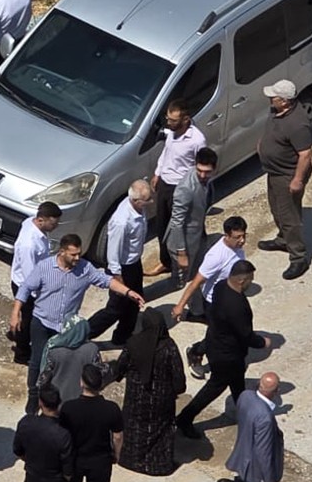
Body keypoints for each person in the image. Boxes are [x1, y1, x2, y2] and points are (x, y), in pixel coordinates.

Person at [12, 234, 146, 414]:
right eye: (73, 254)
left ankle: (55, 397)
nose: (77, 258)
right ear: (62, 252)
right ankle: (34, 396)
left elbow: (107, 281)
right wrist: (15, 313)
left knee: (62, 363)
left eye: (79, 254)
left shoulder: (85, 269)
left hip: (66, 329)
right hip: (42, 323)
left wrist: (128, 292)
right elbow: (26, 288)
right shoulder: (44, 267)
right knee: (37, 361)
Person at [176, 261, 269, 440]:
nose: (251, 282)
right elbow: (246, 335)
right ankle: (184, 418)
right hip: (227, 355)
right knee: (214, 388)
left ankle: (245, 414)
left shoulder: (220, 286)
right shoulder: (238, 306)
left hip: (215, 343)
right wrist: (262, 342)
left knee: (238, 383)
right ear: (241, 281)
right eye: (250, 279)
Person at [59, 364, 123, 482]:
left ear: (81, 383)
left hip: (75, 460)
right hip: (100, 461)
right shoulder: (111, 409)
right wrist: (116, 455)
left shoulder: (69, 408)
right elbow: (118, 436)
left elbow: (63, 436)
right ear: (101, 385)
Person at [115, 308, 186, 476]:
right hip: (161, 400)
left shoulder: (133, 344)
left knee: (134, 428)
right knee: (160, 431)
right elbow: (178, 378)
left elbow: (119, 369)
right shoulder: (169, 347)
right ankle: (157, 465)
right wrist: (177, 390)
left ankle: (130, 460)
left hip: (135, 398)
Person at [176, 216, 249, 378]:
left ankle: (234, 358)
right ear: (227, 235)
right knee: (218, 336)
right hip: (215, 303)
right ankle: (195, 353)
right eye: (237, 237)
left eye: (244, 236)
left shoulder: (238, 248)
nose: (242, 240)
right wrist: (180, 305)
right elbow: (196, 282)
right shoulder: (216, 256)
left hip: (233, 298)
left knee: (235, 331)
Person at [256, 79, 312, 280]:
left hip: (287, 175)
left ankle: (298, 257)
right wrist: (262, 144)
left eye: (274, 97)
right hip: (274, 171)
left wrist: (297, 180)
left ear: (285, 101)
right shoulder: (276, 110)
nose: (270, 99)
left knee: (290, 217)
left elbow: (305, 154)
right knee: (276, 208)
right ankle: (283, 240)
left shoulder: (298, 124)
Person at [225, 372, 287, 482]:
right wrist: (267, 478)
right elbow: (264, 451)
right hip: (257, 466)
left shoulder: (246, 396)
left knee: (242, 481)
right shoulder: (265, 417)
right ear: (276, 391)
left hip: (243, 454)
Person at [87, 180, 152, 345]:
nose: (150, 202)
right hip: (122, 269)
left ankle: (122, 336)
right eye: (147, 200)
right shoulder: (121, 221)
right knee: (115, 309)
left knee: (135, 301)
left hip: (134, 263)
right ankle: (84, 333)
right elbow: (113, 251)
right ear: (135, 201)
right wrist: (117, 276)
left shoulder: (138, 208)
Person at [147, 101, 207, 277]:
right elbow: (166, 153)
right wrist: (158, 173)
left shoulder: (197, 140)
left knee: (183, 226)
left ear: (186, 119)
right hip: (165, 184)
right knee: (162, 226)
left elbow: (202, 166)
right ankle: (166, 262)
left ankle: (194, 260)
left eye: (173, 120)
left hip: (182, 188)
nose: (169, 123)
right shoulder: (171, 133)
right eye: (168, 119)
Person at [10, 202, 62, 365]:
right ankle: (22, 354)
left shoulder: (31, 223)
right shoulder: (29, 245)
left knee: (29, 319)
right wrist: (41, 293)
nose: (56, 226)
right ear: (41, 220)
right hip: (26, 287)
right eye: (53, 223)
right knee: (27, 321)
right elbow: (30, 275)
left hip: (33, 282)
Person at [167, 147, 217, 288]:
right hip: (183, 241)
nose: (202, 175)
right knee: (182, 280)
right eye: (199, 170)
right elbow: (177, 223)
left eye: (207, 172)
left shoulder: (206, 181)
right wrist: (181, 253)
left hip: (197, 235)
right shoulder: (186, 188)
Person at [37, 320, 103, 405]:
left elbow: (43, 379)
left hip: (58, 400)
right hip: (83, 400)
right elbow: (98, 374)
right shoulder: (92, 349)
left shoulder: (54, 351)